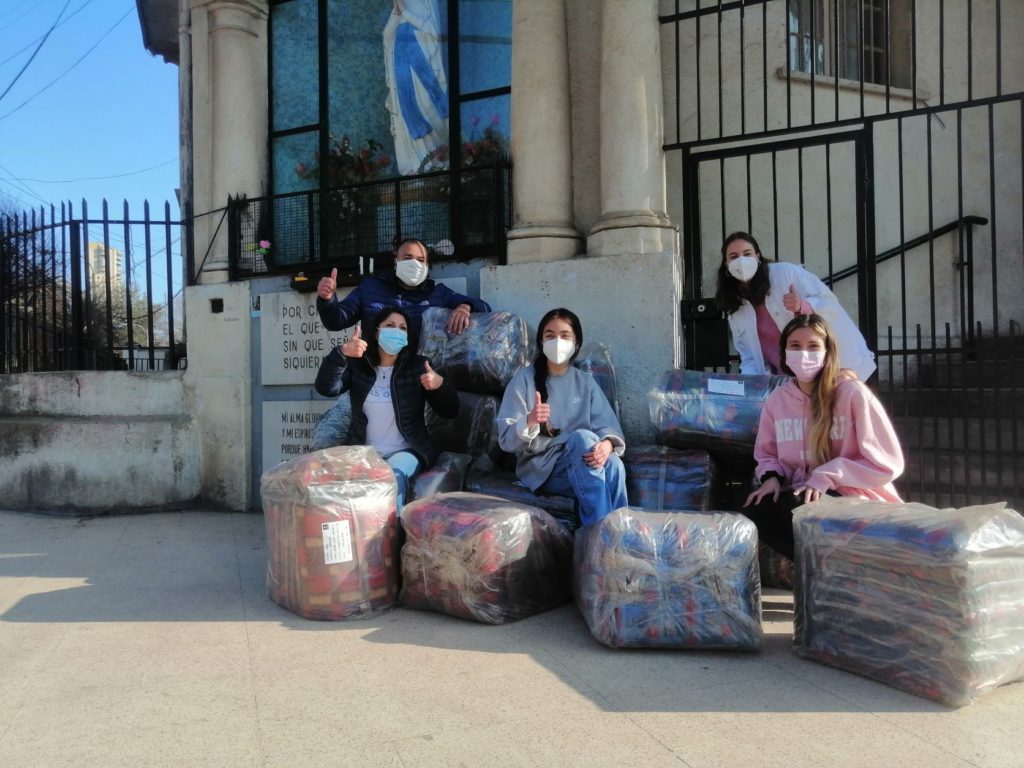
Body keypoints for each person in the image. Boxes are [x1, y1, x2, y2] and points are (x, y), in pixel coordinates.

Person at [742, 314, 904, 560]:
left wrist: (826, 476)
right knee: (755, 511)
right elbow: (767, 453)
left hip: (853, 494)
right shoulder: (777, 400)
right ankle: (824, 569)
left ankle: (837, 567)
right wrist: (772, 478)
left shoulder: (852, 394)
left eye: (813, 346)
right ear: (785, 352)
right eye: (795, 346)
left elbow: (888, 463)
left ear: (827, 352)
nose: (804, 354)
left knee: (797, 509)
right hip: (801, 492)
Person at [314, 306, 458, 512]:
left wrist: (439, 385)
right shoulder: (359, 366)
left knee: (390, 477)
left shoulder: (419, 367)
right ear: (376, 331)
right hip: (362, 453)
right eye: (390, 326)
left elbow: (450, 411)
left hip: (406, 451)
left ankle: (392, 536)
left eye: (402, 328)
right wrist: (341, 353)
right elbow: (326, 388)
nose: (396, 331)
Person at [497, 308, 628, 528]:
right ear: (541, 341)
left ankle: (619, 534)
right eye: (550, 336)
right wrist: (529, 420)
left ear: (576, 343)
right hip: (542, 469)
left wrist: (606, 444)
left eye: (565, 335)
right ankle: (599, 536)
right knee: (583, 438)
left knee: (614, 464)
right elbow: (506, 441)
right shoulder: (524, 380)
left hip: (582, 465)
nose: (557, 341)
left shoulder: (585, 382)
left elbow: (608, 426)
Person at [715, 231, 876, 381]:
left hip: (831, 370)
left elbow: (829, 303)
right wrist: (749, 386)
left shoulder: (785, 274)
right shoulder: (734, 305)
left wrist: (803, 306)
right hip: (789, 382)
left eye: (747, 254)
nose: (741, 261)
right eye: (734, 256)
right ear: (726, 264)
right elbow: (749, 356)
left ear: (758, 257)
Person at [316, 237, 490, 341]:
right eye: (407, 257)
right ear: (396, 261)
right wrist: (327, 299)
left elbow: (485, 308)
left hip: (419, 381)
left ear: (427, 265)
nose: (414, 263)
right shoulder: (371, 287)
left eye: (420, 260)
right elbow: (336, 321)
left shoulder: (437, 292)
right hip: (374, 376)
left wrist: (465, 306)